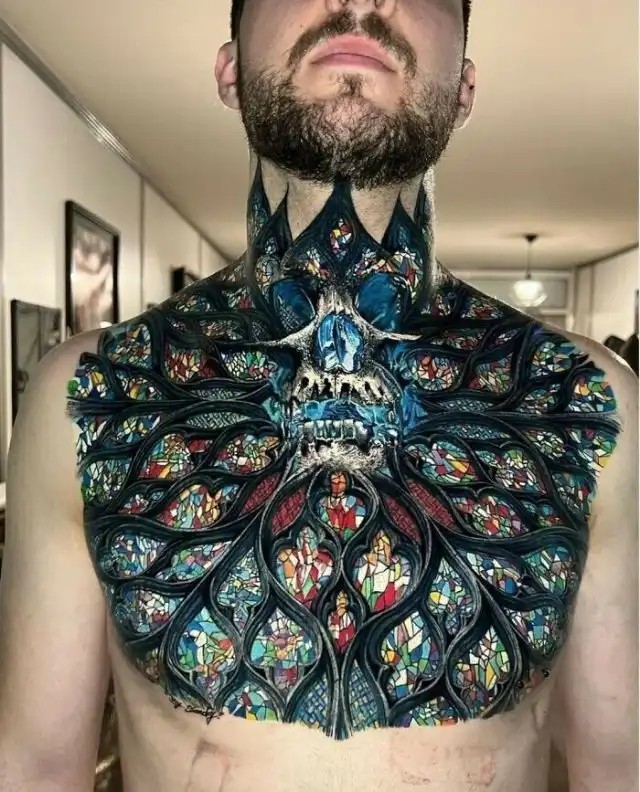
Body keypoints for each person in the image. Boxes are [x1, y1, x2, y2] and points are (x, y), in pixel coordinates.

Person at [0, 2, 637, 791]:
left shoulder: (588, 406)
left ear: (464, 90)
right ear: (231, 70)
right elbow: (35, 771)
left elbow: (619, 770)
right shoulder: (89, 401)